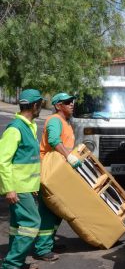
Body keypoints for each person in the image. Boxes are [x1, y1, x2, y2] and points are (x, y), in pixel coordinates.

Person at [0, 89, 45, 269]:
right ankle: (12, 265)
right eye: (40, 104)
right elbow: (3, 161)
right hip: (18, 187)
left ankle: (14, 260)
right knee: (32, 223)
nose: (40, 108)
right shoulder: (16, 129)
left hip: (26, 186)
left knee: (16, 225)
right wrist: (9, 188)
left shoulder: (29, 126)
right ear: (35, 105)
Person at [34, 93, 80, 262]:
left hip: (58, 172)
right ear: (58, 105)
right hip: (49, 172)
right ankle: (42, 249)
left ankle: (49, 243)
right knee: (48, 211)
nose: (72, 104)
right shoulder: (54, 120)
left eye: (72, 101)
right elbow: (53, 140)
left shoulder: (65, 123)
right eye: (68, 102)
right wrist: (69, 156)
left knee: (58, 210)